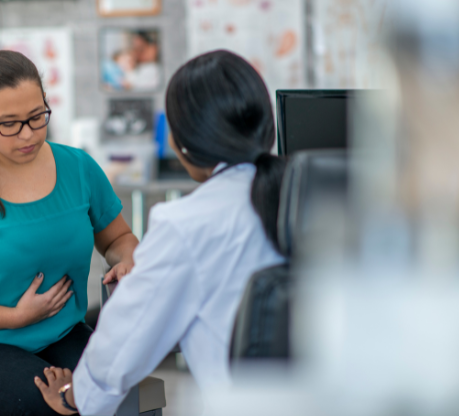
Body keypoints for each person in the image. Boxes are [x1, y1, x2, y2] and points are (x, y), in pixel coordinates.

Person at [34, 49, 287, 415]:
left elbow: (125, 342)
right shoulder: (317, 193)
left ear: (182, 143)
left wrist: (71, 395)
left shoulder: (185, 223)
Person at [0, 50, 138, 416]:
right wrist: (15, 317)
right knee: (47, 405)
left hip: (61, 334)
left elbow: (117, 239)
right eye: (10, 123)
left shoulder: (79, 168)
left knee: (115, 389)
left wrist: (126, 259)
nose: (28, 134)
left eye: (37, 117)